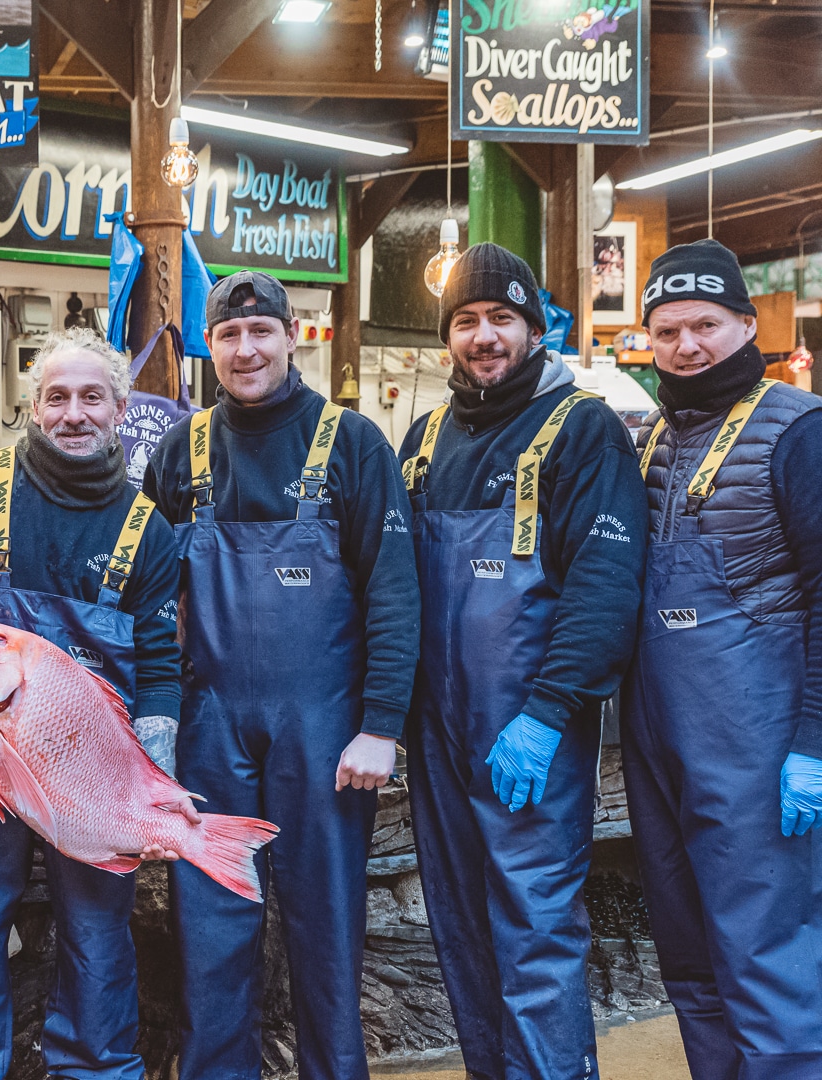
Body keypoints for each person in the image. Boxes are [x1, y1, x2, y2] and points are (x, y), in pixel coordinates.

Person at [144, 271, 420, 1080]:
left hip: (326, 729)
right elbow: (147, 592)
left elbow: (395, 593)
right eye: (228, 335)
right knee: (210, 928)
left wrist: (382, 723)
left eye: (260, 332)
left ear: (292, 335)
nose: (245, 349)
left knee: (326, 929)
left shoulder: (351, 441)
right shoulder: (182, 448)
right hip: (209, 727)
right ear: (209, 344)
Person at [0, 327, 184, 1080]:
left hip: (89, 759)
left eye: (92, 396)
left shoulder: (148, 530)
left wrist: (151, 779)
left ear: (120, 407)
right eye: (56, 397)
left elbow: (159, 658)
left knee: (98, 927)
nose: (73, 412)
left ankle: (98, 1068)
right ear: (32, 406)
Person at [396, 243, 647, 1078]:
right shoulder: (424, 438)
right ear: (448, 338)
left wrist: (546, 716)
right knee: (461, 924)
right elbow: (390, 587)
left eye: (502, 318)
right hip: (437, 728)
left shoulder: (584, 429)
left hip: (529, 724)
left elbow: (606, 588)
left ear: (535, 330)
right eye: (466, 321)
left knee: (535, 925)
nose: (484, 336)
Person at [624, 238, 822, 1079]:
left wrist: (813, 744)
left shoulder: (798, 431)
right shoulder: (653, 440)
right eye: (667, 331)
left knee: (767, 951)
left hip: (760, 744)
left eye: (706, 325)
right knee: (690, 953)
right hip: (662, 739)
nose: (687, 347)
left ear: (748, 325)